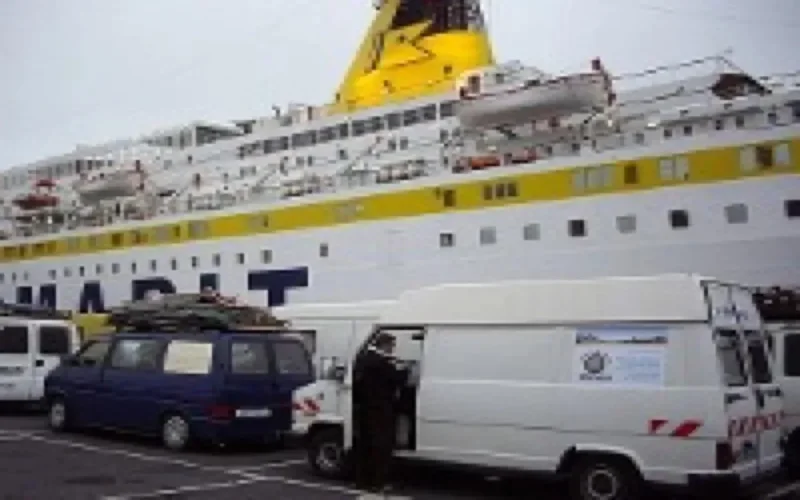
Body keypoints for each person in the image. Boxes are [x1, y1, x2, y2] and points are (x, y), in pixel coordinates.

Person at [352, 332, 409, 497]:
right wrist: (406, 369)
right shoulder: (382, 363)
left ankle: (362, 481)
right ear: (384, 345)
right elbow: (398, 379)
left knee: (365, 446)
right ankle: (377, 483)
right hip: (381, 410)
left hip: (365, 409)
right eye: (392, 346)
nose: (393, 349)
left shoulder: (364, 359)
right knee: (381, 448)